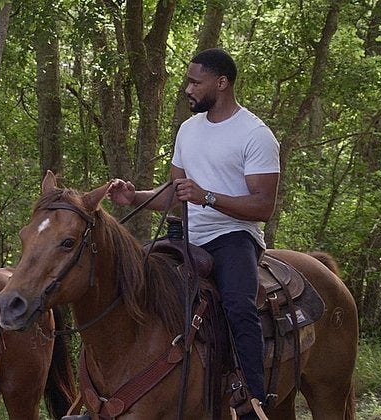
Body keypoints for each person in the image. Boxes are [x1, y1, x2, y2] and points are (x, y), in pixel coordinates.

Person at [107, 48, 278, 418]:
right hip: (184, 236)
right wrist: (133, 195)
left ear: (221, 83)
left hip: (233, 236)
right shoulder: (188, 129)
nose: (187, 88)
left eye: (194, 82)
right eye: (188, 81)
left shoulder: (255, 134)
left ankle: (252, 399)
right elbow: (175, 192)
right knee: (133, 288)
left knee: (237, 305)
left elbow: (263, 206)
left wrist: (208, 197)